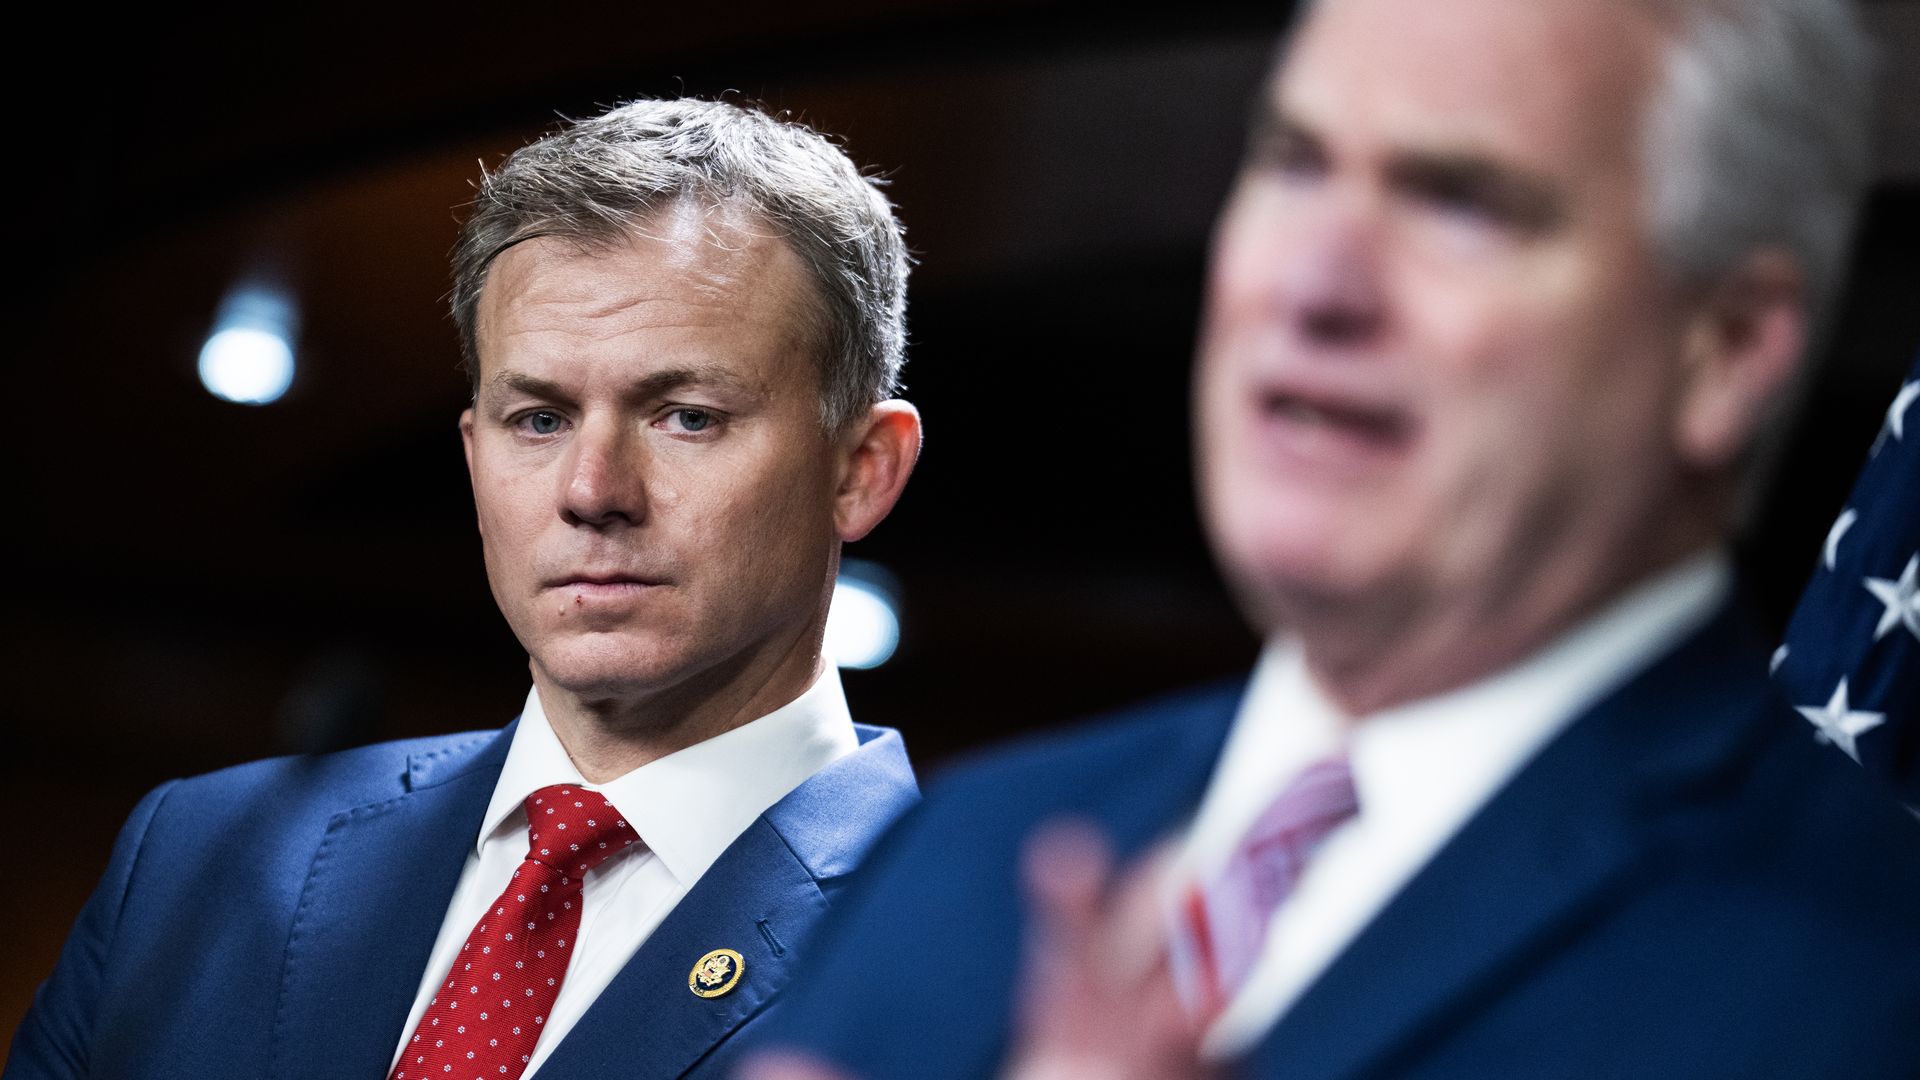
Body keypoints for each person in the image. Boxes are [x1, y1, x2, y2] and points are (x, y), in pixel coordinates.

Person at [739, 0, 1920, 1077]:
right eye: (1293, 164)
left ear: (1725, 347)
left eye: (1458, 199)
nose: (1315, 284)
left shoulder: (1870, 977)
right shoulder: (969, 847)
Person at [6, 98, 923, 1080]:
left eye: (687, 416)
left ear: (860, 468)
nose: (592, 492)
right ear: (474, 452)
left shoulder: (979, 940)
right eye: (538, 419)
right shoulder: (194, 862)